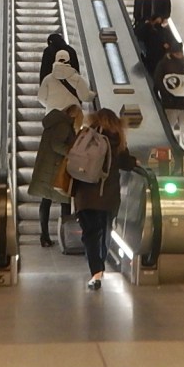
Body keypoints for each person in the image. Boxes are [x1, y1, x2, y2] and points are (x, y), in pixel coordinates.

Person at [72, 108, 138, 289]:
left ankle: (96, 272)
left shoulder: (85, 136)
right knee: (105, 230)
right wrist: (134, 162)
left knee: (90, 234)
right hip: (108, 196)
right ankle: (99, 266)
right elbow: (126, 163)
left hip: (85, 195)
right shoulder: (117, 140)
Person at [28, 103, 84, 247]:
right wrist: (73, 153)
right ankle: (65, 239)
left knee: (46, 202)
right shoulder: (64, 126)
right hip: (55, 170)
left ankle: (45, 236)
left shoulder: (54, 123)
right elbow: (56, 144)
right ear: (75, 116)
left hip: (47, 169)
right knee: (65, 203)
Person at [152, 40, 184, 158]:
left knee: (183, 127)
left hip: (180, 103)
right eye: (177, 53)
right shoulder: (165, 64)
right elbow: (158, 81)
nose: (180, 55)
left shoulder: (182, 64)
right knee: (174, 126)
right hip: (174, 103)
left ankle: (182, 147)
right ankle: (174, 147)